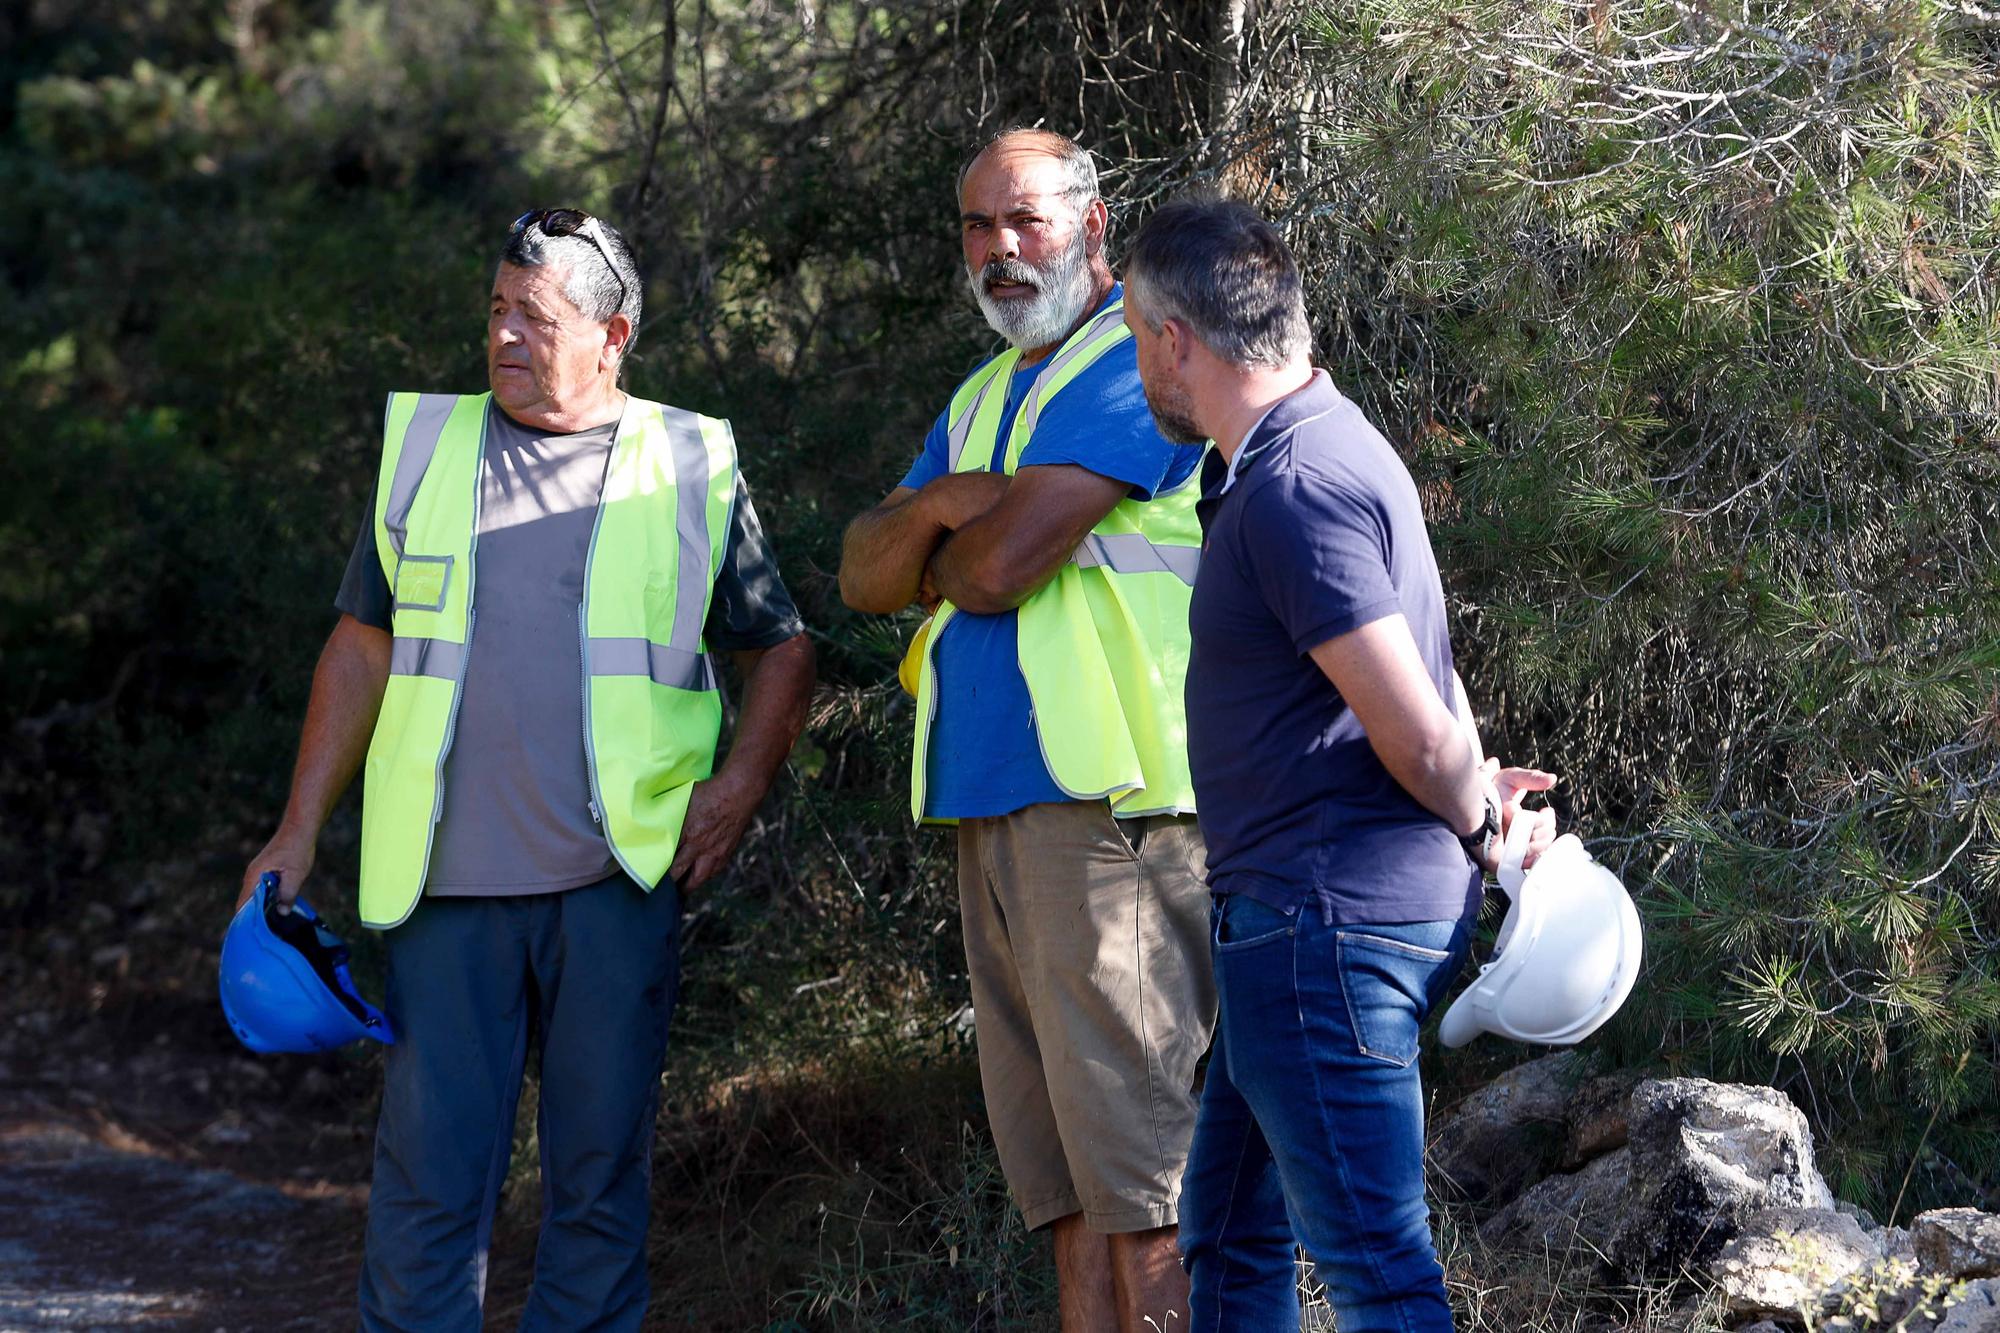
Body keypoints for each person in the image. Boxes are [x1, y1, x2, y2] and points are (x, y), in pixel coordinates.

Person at [239, 208, 816, 1332]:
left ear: (613, 337)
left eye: (535, 317)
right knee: (426, 1193)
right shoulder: (426, 446)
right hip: (445, 891)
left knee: (597, 1186)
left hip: (617, 882)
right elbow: (361, 645)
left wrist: (740, 784)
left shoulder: (689, 458)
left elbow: (783, 644)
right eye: (496, 310)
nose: (504, 335)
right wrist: (296, 828)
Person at [1120, 197, 1558, 1333]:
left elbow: (1409, 725)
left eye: (1131, 337)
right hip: (1295, 928)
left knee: (1375, 1272)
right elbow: (1419, 679)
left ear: (1177, 340)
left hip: (1322, 930)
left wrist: (1472, 818)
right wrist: (1474, 782)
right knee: (1226, 1229)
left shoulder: (1295, 484)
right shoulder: (1324, 441)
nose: (1136, 365)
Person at [838, 129, 1213, 1332]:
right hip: (989, 802)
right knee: (1060, 1189)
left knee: (1143, 1185)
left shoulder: (1137, 363)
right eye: (976, 228)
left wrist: (943, 534)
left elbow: (995, 570)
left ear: (1092, 227)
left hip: (1111, 815)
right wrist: (948, 501)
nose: (999, 251)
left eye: (1026, 222)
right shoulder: (982, 396)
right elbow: (859, 570)